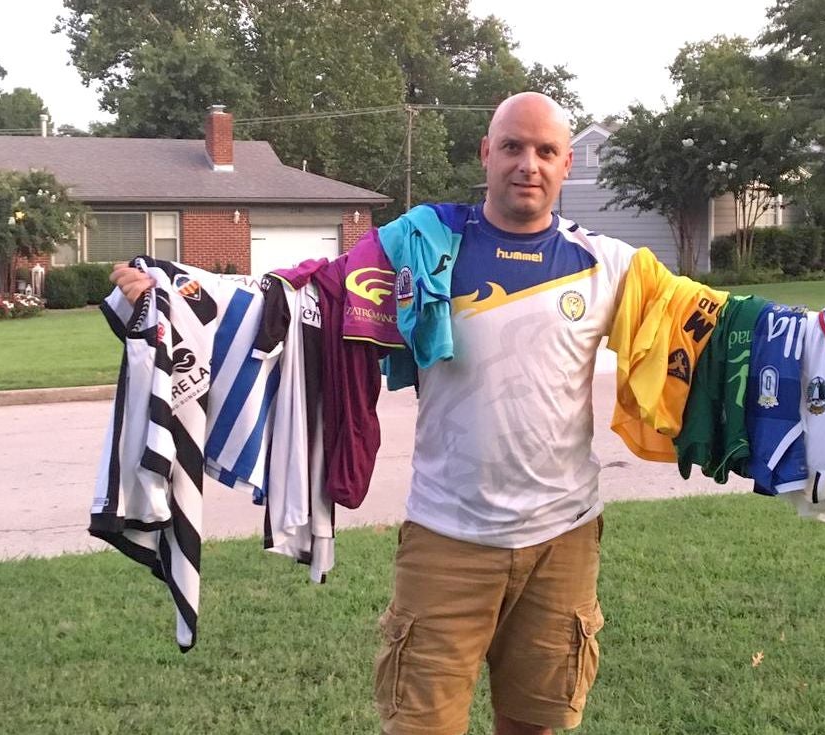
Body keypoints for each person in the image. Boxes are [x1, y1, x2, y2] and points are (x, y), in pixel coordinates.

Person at [110, 92, 638, 735]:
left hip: (564, 538)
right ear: (486, 153)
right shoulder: (424, 243)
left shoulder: (606, 264)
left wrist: (769, 331)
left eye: (546, 151)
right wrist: (173, 291)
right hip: (447, 537)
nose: (528, 164)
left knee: (536, 723)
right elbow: (308, 292)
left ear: (566, 164)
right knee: (419, 726)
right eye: (512, 147)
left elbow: (700, 328)